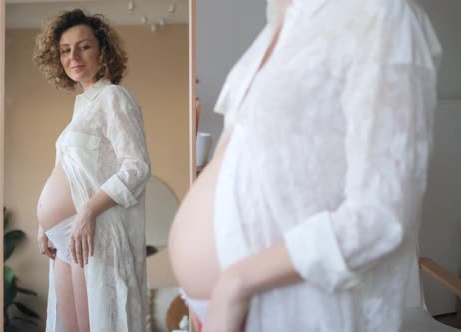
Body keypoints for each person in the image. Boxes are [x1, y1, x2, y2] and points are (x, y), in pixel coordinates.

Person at [168, 0, 442, 331]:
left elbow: (381, 216)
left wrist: (235, 284)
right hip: (219, 310)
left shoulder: (377, 14)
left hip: (276, 303)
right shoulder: (277, 27)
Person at [33, 9, 151, 332]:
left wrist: (87, 210)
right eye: (65, 50)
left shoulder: (114, 98)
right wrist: (44, 226)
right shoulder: (80, 107)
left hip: (90, 231)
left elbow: (136, 167)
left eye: (84, 46)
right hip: (65, 237)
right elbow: (68, 170)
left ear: (102, 51)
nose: (74, 56)